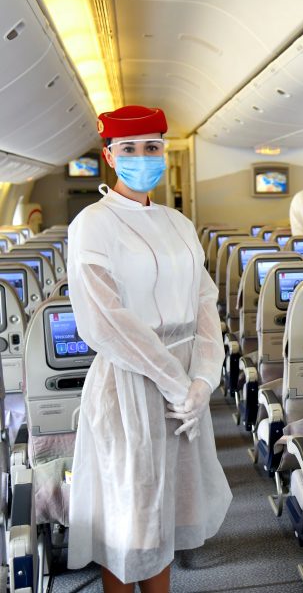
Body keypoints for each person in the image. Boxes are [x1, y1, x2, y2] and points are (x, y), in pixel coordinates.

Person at [66, 105, 232, 592]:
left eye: (153, 148)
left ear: (164, 152)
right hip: (130, 381)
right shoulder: (92, 225)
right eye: (131, 149)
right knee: (132, 517)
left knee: (168, 514)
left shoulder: (179, 223)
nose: (144, 157)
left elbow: (206, 303)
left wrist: (203, 379)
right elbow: (106, 320)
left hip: (184, 385)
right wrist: (177, 382)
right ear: (110, 156)